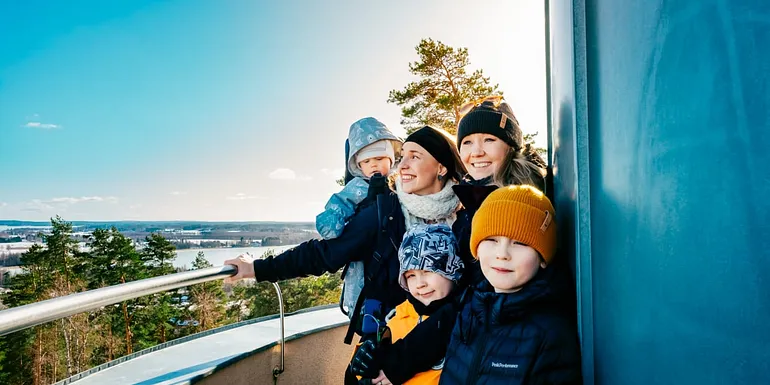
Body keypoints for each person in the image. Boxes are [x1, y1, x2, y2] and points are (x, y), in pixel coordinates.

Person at [224, 125, 466, 348]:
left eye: (415, 156)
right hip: (389, 341)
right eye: (402, 156)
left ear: (441, 167)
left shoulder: (465, 215)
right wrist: (256, 268)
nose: (402, 165)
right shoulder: (385, 212)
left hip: (450, 338)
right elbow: (323, 254)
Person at [439, 185, 582, 384]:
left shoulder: (550, 333)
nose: (502, 253)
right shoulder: (469, 309)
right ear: (476, 249)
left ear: (543, 257)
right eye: (491, 239)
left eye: (520, 243)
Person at [350, 224, 464, 385]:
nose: (420, 283)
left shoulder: (468, 318)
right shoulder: (396, 318)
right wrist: (364, 362)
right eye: (410, 275)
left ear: (453, 269)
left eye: (428, 271)